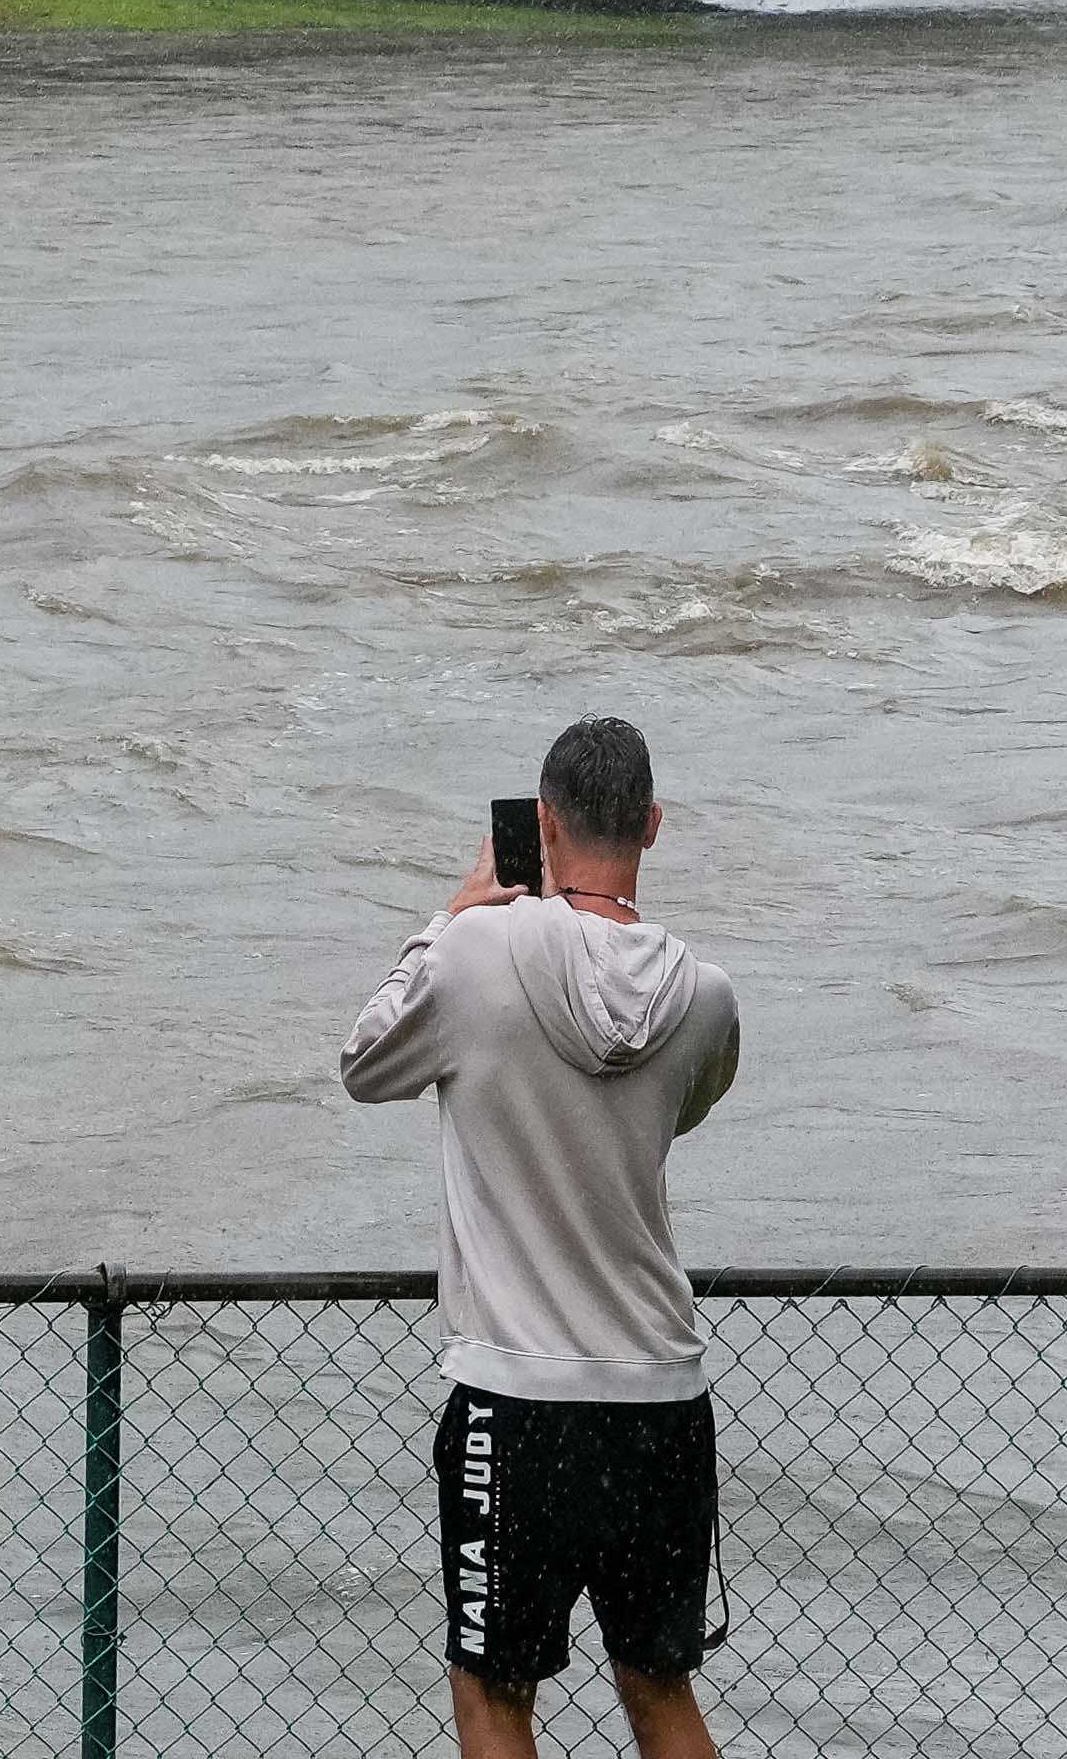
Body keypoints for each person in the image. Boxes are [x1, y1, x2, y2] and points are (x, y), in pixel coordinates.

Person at [338, 716, 744, 1759]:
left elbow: (366, 1060)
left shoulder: (475, 952)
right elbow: (674, 1119)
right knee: (660, 1686)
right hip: (659, 1389)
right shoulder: (705, 995)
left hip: (518, 1397)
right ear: (651, 823)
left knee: (493, 1690)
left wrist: (452, 912)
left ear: (542, 824)